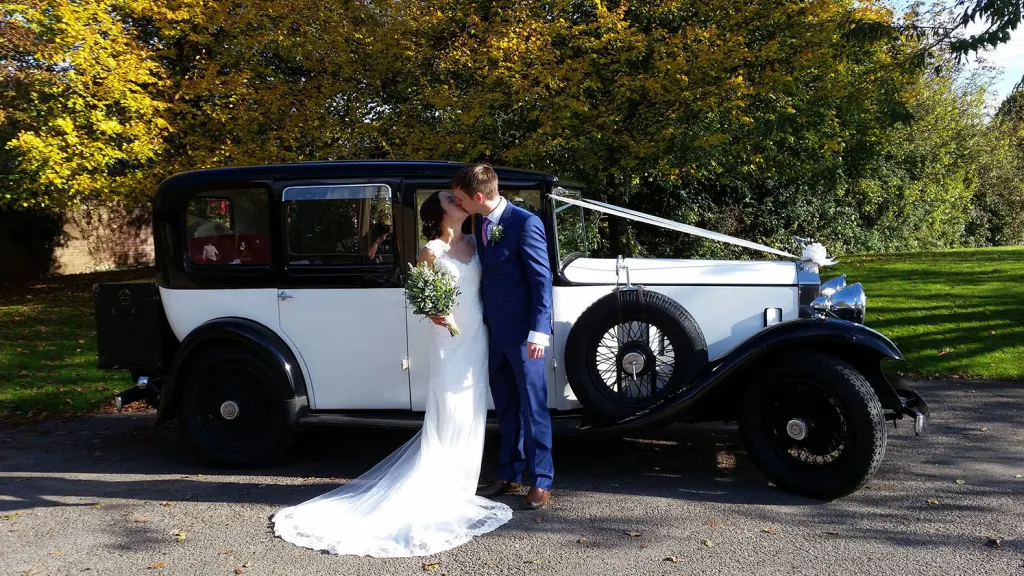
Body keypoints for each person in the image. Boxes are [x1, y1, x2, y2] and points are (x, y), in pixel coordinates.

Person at [271, 190, 512, 557]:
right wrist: (435, 312)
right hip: (448, 338)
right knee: (450, 404)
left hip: (477, 335)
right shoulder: (431, 250)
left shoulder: (477, 242)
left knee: (473, 405)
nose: (458, 202)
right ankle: (443, 487)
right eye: (450, 200)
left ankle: (462, 485)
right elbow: (420, 294)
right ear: (439, 213)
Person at [450, 164, 555, 510]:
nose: (458, 203)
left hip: (526, 337)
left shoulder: (526, 223)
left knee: (533, 406)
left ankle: (541, 479)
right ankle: (509, 471)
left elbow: (541, 282)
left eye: (461, 199)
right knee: (506, 404)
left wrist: (539, 331)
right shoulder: (480, 222)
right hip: (492, 332)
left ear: (479, 197)